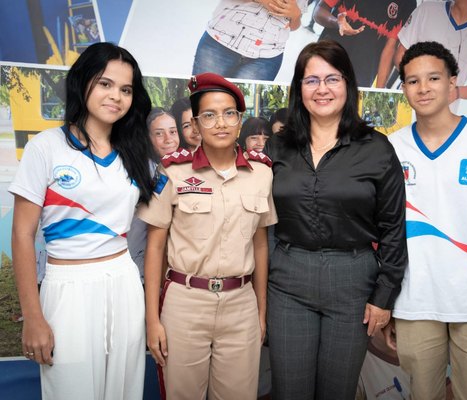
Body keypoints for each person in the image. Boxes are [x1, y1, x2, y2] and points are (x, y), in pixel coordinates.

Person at [9, 42, 154, 399]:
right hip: (67, 288)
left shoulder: (134, 154)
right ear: (83, 82)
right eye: (105, 84)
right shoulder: (46, 147)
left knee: (124, 390)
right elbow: (22, 234)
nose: (115, 96)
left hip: (123, 284)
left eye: (125, 89)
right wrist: (33, 316)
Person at [266, 39, 407, 400]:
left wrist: (384, 297)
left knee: (337, 392)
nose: (322, 89)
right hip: (287, 282)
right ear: (299, 88)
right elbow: (259, 220)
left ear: (348, 85)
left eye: (332, 78)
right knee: (290, 390)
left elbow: (393, 227)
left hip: (353, 282)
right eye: (311, 80)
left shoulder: (376, 148)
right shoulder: (277, 148)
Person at [385, 41, 467, 399]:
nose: (423, 88)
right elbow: (383, 231)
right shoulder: (391, 149)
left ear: (452, 83)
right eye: (413, 81)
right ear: (403, 90)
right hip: (415, 302)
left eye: (433, 78)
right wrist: (387, 302)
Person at [139, 72, 278, 399]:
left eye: (229, 113)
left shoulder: (262, 173)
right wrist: (152, 320)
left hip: (240, 303)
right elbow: (155, 247)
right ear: (195, 126)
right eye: (209, 115)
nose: (221, 123)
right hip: (185, 303)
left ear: (239, 122)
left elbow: (260, 244)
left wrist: (260, 312)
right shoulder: (173, 171)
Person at [394, 0, 467, 108]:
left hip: (442, 116)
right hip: (406, 105)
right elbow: (400, 54)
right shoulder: (428, 9)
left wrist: (456, 93)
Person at [192, 0, 308, 81]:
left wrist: (296, 15)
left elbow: (293, 26)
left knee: (241, 108)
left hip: (268, 56)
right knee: (204, 98)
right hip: (220, 42)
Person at [314, 0, 415, 88]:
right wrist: (337, 22)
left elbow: (390, 47)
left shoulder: (407, 3)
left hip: (361, 77)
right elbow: (319, 11)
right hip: (327, 59)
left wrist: (379, 91)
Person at [127, 108, 179, 282]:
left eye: (173, 131)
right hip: (137, 268)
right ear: (146, 138)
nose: (168, 139)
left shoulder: (175, 169)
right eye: (159, 133)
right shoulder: (142, 171)